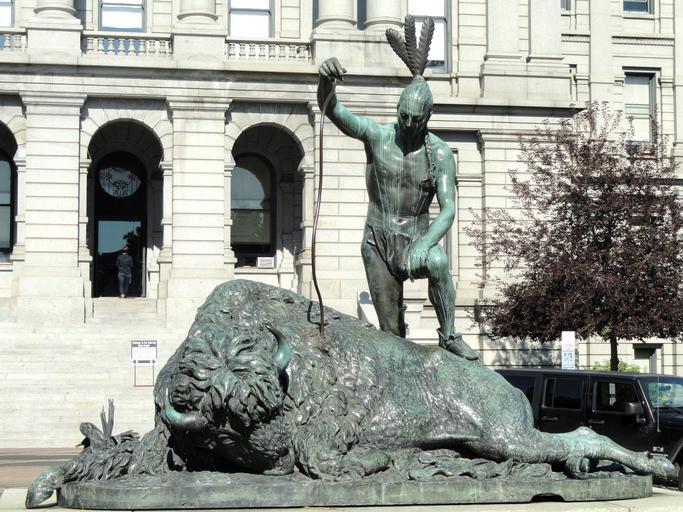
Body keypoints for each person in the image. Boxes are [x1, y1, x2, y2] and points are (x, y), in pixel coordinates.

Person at [317, 17, 478, 361]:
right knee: (391, 333)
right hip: (378, 240)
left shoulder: (440, 154)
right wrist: (325, 82)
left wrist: (425, 242)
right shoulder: (377, 136)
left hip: (416, 238)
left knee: (438, 262)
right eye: (403, 114)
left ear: (427, 117)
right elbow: (335, 111)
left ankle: (449, 335)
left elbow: (448, 209)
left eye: (414, 119)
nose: (406, 123)